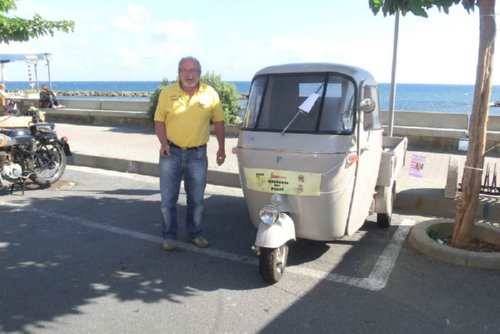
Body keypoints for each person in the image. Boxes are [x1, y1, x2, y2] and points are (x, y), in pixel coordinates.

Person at [154, 56, 226, 251]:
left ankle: (195, 233)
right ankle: (169, 236)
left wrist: (221, 148)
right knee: (168, 200)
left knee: (196, 200)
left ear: (199, 73)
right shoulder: (167, 93)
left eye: (193, 70)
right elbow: (159, 121)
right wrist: (163, 144)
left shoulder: (210, 93)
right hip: (171, 153)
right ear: (178, 73)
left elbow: (219, 121)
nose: (189, 74)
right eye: (185, 70)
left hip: (197, 155)